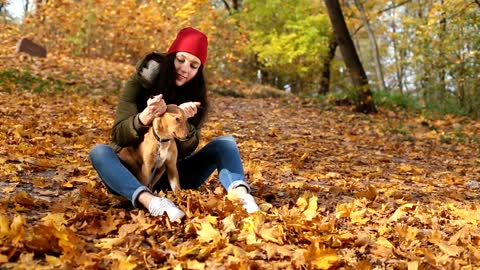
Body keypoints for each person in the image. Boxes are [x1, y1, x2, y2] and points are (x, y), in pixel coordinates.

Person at [89, 27, 260, 222]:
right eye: (181, 60)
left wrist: (181, 120)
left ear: (198, 71)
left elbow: (187, 148)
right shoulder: (140, 84)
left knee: (225, 143)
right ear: (171, 58)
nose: (185, 68)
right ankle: (151, 202)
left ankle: (241, 196)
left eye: (194, 65)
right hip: (129, 174)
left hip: (170, 174)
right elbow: (118, 136)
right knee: (99, 152)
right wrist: (145, 116)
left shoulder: (195, 96)